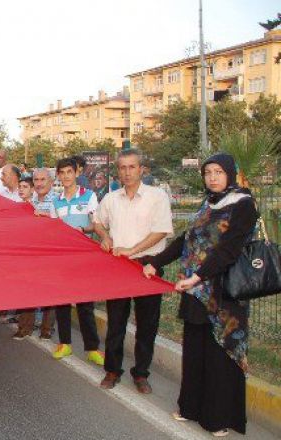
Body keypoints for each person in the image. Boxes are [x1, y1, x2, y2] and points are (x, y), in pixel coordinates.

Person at [143, 153, 256, 436]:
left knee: (220, 355)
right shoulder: (207, 203)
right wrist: (155, 262)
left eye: (218, 172)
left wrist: (196, 276)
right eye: (208, 172)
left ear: (230, 173)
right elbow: (185, 241)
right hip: (195, 292)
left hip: (224, 294)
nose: (213, 177)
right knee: (195, 351)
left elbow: (229, 249)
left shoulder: (243, 204)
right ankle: (191, 407)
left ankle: (219, 418)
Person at [93, 149, 173, 394]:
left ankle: (141, 374)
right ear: (117, 171)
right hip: (119, 265)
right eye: (122, 168)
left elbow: (161, 231)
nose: (127, 172)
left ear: (141, 170)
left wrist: (133, 249)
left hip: (148, 264)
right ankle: (112, 370)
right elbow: (97, 222)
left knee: (147, 324)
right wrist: (105, 237)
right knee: (116, 321)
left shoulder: (157, 196)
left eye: (132, 167)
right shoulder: (111, 198)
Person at [51, 158, 104, 366]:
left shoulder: (89, 196)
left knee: (85, 304)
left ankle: (92, 348)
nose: (65, 176)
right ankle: (65, 343)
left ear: (76, 173)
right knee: (62, 302)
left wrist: (83, 230)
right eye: (61, 172)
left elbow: (95, 224)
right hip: (63, 259)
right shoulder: (57, 201)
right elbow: (54, 229)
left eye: (69, 172)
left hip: (84, 258)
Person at [13, 170, 57, 340]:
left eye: (43, 179)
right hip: (30, 253)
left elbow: (61, 224)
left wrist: (46, 218)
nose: (39, 183)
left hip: (51, 253)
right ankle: (24, 328)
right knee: (27, 289)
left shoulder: (57, 201)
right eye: (36, 180)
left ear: (51, 181)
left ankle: (46, 329)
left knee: (51, 292)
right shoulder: (27, 203)